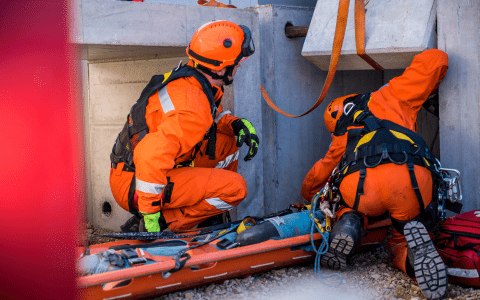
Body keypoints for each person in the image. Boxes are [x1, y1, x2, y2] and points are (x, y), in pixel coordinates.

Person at [301, 49, 448, 300]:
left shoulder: (341, 137)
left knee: (346, 204)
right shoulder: (394, 93)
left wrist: (307, 198)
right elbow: (436, 59)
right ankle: (409, 254)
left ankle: (349, 224)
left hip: (362, 189)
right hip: (409, 178)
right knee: (402, 235)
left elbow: (318, 178)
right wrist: (431, 86)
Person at [109, 20, 259, 233]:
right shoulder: (192, 107)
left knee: (228, 142)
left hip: (135, 170)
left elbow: (209, 119)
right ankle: (164, 222)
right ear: (220, 66)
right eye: (236, 62)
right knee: (236, 189)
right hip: (136, 182)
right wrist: (150, 219)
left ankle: (209, 216)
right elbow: (150, 156)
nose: (239, 65)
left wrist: (235, 124)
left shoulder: (193, 81)